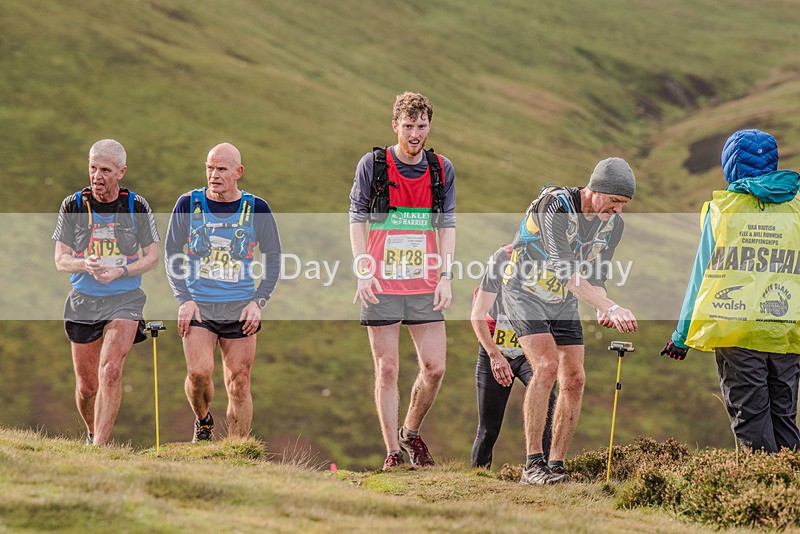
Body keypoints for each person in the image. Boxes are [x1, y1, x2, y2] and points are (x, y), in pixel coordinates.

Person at [662, 129, 800, 453]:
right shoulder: (797, 211)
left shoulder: (721, 211)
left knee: (751, 418)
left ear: (730, 165)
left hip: (734, 329)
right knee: (784, 416)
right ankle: (787, 495)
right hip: (787, 333)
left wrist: (682, 337)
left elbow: (701, 276)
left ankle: (759, 493)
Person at [502, 157, 638, 485]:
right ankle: (532, 465)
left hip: (562, 300)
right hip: (525, 291)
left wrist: (601, 307)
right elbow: (566, 272)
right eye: (615, 201)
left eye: (625, 204)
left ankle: (556, 465)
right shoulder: (556, 206)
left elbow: (597, 273)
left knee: (575, 378)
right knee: (546, 367)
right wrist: (612, 306)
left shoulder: (613, 225)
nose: (619, 210)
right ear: (595, 190)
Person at [349, 92, 456, 470]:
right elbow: (356, 219)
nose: (415, 134)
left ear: (430, 126)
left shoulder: (441, 169)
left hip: (425, 282)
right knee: (388, 368)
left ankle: (410, 432)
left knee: (435, 368)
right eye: (408, 126)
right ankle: (392, 453)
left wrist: (445, 276)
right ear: (395, 125)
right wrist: (363, 269)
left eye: (421, 126)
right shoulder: (374, 165)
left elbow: (447, 227)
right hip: (382, 283)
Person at [165, 142, 281, 442]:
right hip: (199, 307)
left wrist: (259, 301)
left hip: (240, 307)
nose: (213, 175)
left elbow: (274, 257)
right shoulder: (188, 203)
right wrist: (184, 298)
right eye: (209, 168)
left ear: (238, 172)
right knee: (199, 374)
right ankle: (203, 422)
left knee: (239, 383)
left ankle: (237, 449)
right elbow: (171, 253)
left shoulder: (257, 208)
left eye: (221, 169)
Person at [53, 139, 160, 446]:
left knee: (110, 370)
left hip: (124, 298)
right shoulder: (72, 205)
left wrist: (121, 271)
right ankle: (90, 433)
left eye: (105, 170)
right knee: (87, 387)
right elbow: (61, 260)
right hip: (83, 300)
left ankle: (99, 447)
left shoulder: (136, 206)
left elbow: (152, 257)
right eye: (93, 168)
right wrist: (84, 264)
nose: (97, 176)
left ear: (121, 172)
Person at [470, 244, 556, 469]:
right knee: (488, 429)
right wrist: (494, 356)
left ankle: (540, 471)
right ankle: (478, 478)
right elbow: (477, 316)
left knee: (549, 404)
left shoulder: (554, 257)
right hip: (495, 351)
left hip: (529, 353)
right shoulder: (501, 259)